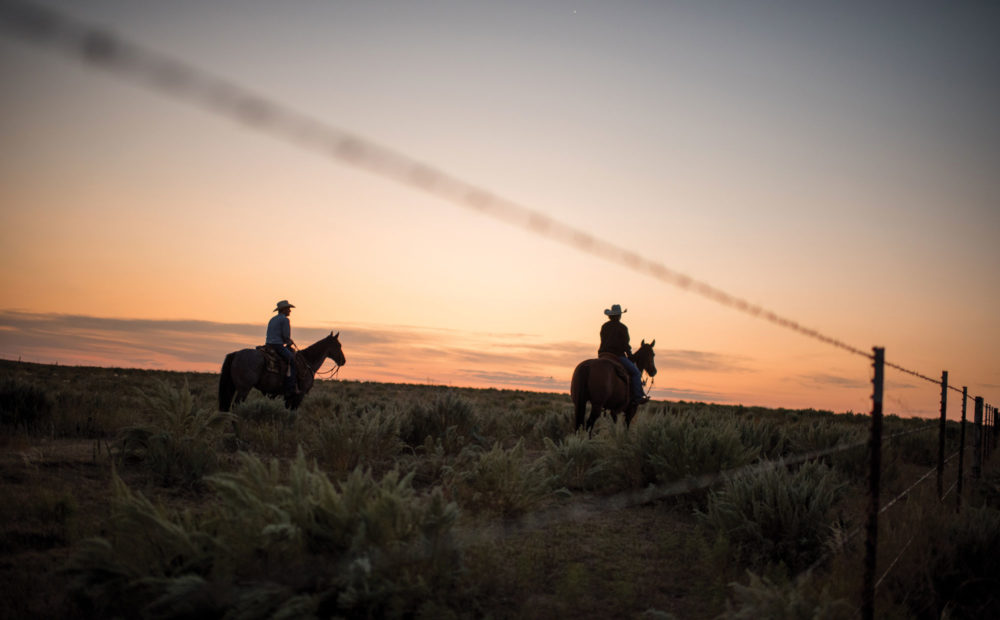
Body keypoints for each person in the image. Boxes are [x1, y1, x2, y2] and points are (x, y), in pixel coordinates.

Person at [598, 304, 648, 405]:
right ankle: (638, 397)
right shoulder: (622, 327)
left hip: (603, 355)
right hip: (617, 356)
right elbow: (625, 345)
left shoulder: (604, 326)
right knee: (636, 373)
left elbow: (602, 341)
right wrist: (630, 357)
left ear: (610, 315)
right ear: (619, 316)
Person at [266, 299, 299, 394]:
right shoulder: (285, 320)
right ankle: (290, 386)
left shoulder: (272, 319)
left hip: (268, 344)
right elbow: (285, 336)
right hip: (277, 345)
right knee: (292, 360)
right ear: (283, 309)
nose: (290, 311)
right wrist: (289, 341)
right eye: (288, 309)